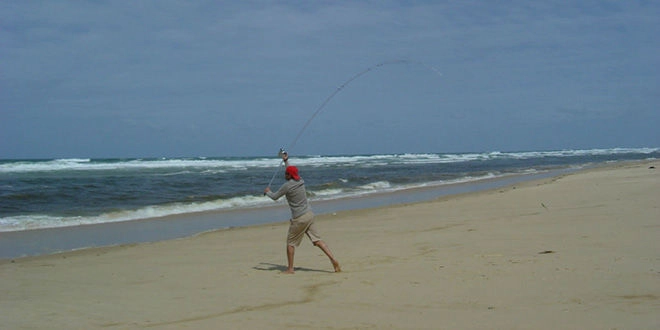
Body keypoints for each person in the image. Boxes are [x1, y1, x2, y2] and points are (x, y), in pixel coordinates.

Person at [264, 152, 341, 274]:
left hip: (299, 218)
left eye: (286, 173)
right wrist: (286, 161)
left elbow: (274, 197)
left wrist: (267, 192)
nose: (284, 174)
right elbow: (291, 171)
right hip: (309, 214)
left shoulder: (287, 186)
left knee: (290, 243)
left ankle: (290, 269)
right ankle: (333, 259)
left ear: (289, 175)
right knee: (317, 240)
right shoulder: (301, 180)